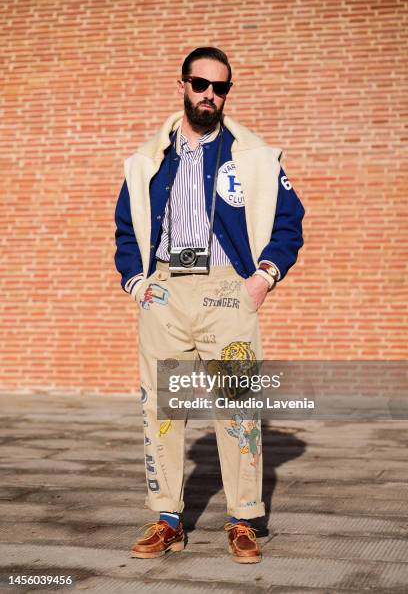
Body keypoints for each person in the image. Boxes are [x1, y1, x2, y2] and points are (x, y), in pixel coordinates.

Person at [114, 47, 305, 564]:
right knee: (162, 409)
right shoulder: (148, 160)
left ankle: (243, 518)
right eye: (201, 84)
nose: (210, 96)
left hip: (228, 290)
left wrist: (262, 278)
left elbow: (290, 221)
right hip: (166, 288)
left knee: (239, 406)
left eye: (220, 88)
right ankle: (167, 519)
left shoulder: (253, 156)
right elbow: (126, 228)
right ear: (183, 84)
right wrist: (137, 283)